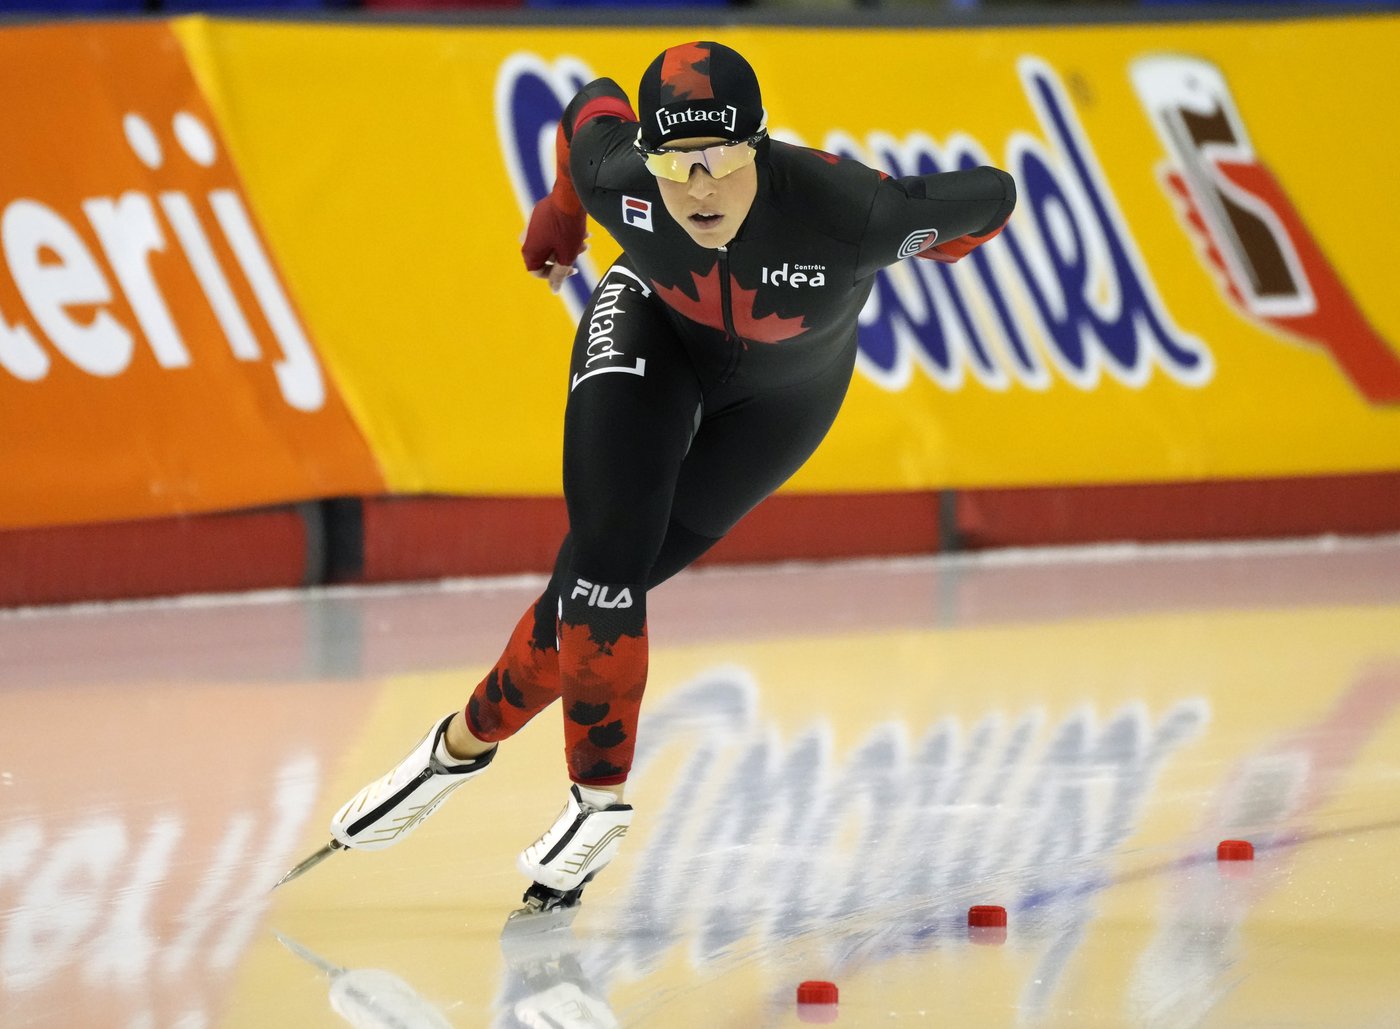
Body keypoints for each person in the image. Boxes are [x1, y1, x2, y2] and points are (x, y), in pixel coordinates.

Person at [321, 40, 1015, 911]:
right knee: (606, 562)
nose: (697, 188)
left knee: (590, 592)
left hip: (780, 403)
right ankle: (596, 806)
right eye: (674, 164)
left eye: (718, 160)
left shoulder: (855, 212)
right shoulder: (619, 175)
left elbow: (994, 194)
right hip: (650, 327)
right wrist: (562, 215)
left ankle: (458, 746)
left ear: (758, 145)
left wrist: (938, 243)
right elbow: (587, 108)